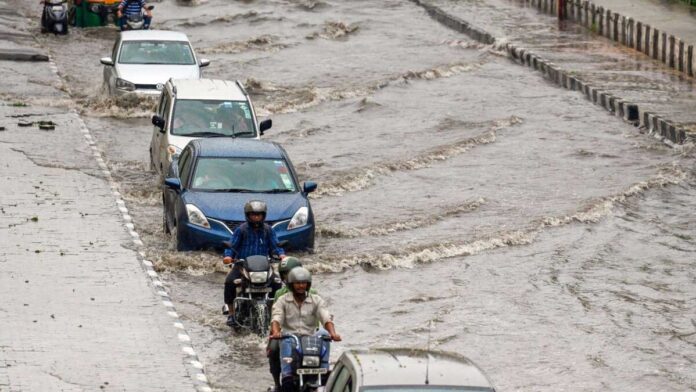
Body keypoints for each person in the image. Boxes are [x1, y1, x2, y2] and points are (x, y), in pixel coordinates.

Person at [270, 267, 341, 392]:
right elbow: (276, 318)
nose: (301, 286)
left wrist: (333, 334)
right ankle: (286, 376)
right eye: (297, 283)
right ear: (291, 285)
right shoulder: (282, 300)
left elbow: (325, 317)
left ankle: (323, 372)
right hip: (290, 338)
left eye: (303, 283)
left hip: (311, 339)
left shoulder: (316, 300)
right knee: (283, 341)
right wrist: (276, 332)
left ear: (308, 285)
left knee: (323, 333)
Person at [223, 200, 285, 328]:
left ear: (264, 215)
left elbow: (275, 246)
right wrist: (228, 256)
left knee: (277, 283)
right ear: (248, 215)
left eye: (259, 215)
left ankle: (276, 313)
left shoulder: (268, 230)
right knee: (229, 282)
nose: (256, 217)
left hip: (264, 266)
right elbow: (232, 246)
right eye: (253, 215)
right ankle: (231, 312)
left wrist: (281, 255)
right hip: (243, 266)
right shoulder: (241, 230)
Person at [266, 257, 317, 391]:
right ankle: (278, 383)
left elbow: (319, 315)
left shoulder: (312, 294)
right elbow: (276, 317)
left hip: (308, 334)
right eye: (284, 275)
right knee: (273, 350)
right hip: (286, 335)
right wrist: (273, 335)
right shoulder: (279, 294)